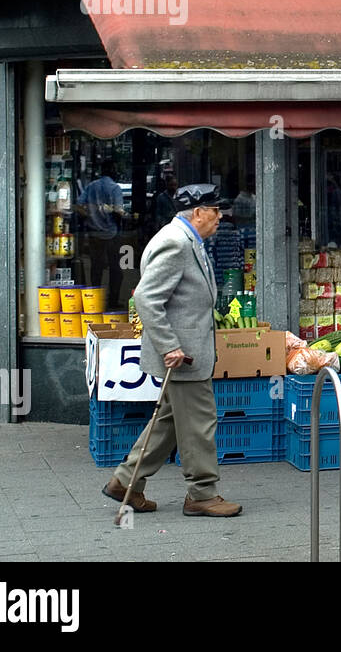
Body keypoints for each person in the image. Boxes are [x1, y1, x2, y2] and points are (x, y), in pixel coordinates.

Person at [102, 184, 242, 517]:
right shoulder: (176, 243)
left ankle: (125, 482)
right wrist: (170, 346)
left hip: (187, 351)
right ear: (197, 213)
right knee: (199, 423)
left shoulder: (186, 240)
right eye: (215, 211)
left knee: (166, 423)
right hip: (183, 355)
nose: (220, 217)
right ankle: (202, 494)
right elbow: (147, 298)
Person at [78, 162, 126, 301]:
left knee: (96, 267)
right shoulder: (115, 188)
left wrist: (90, 217)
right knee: (115, 267)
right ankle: (113, 299)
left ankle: (94, 300)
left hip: (94, 233)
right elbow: (118, 210)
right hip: (111, 233)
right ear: (113, 172)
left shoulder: (92, 186)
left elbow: (79, 205)